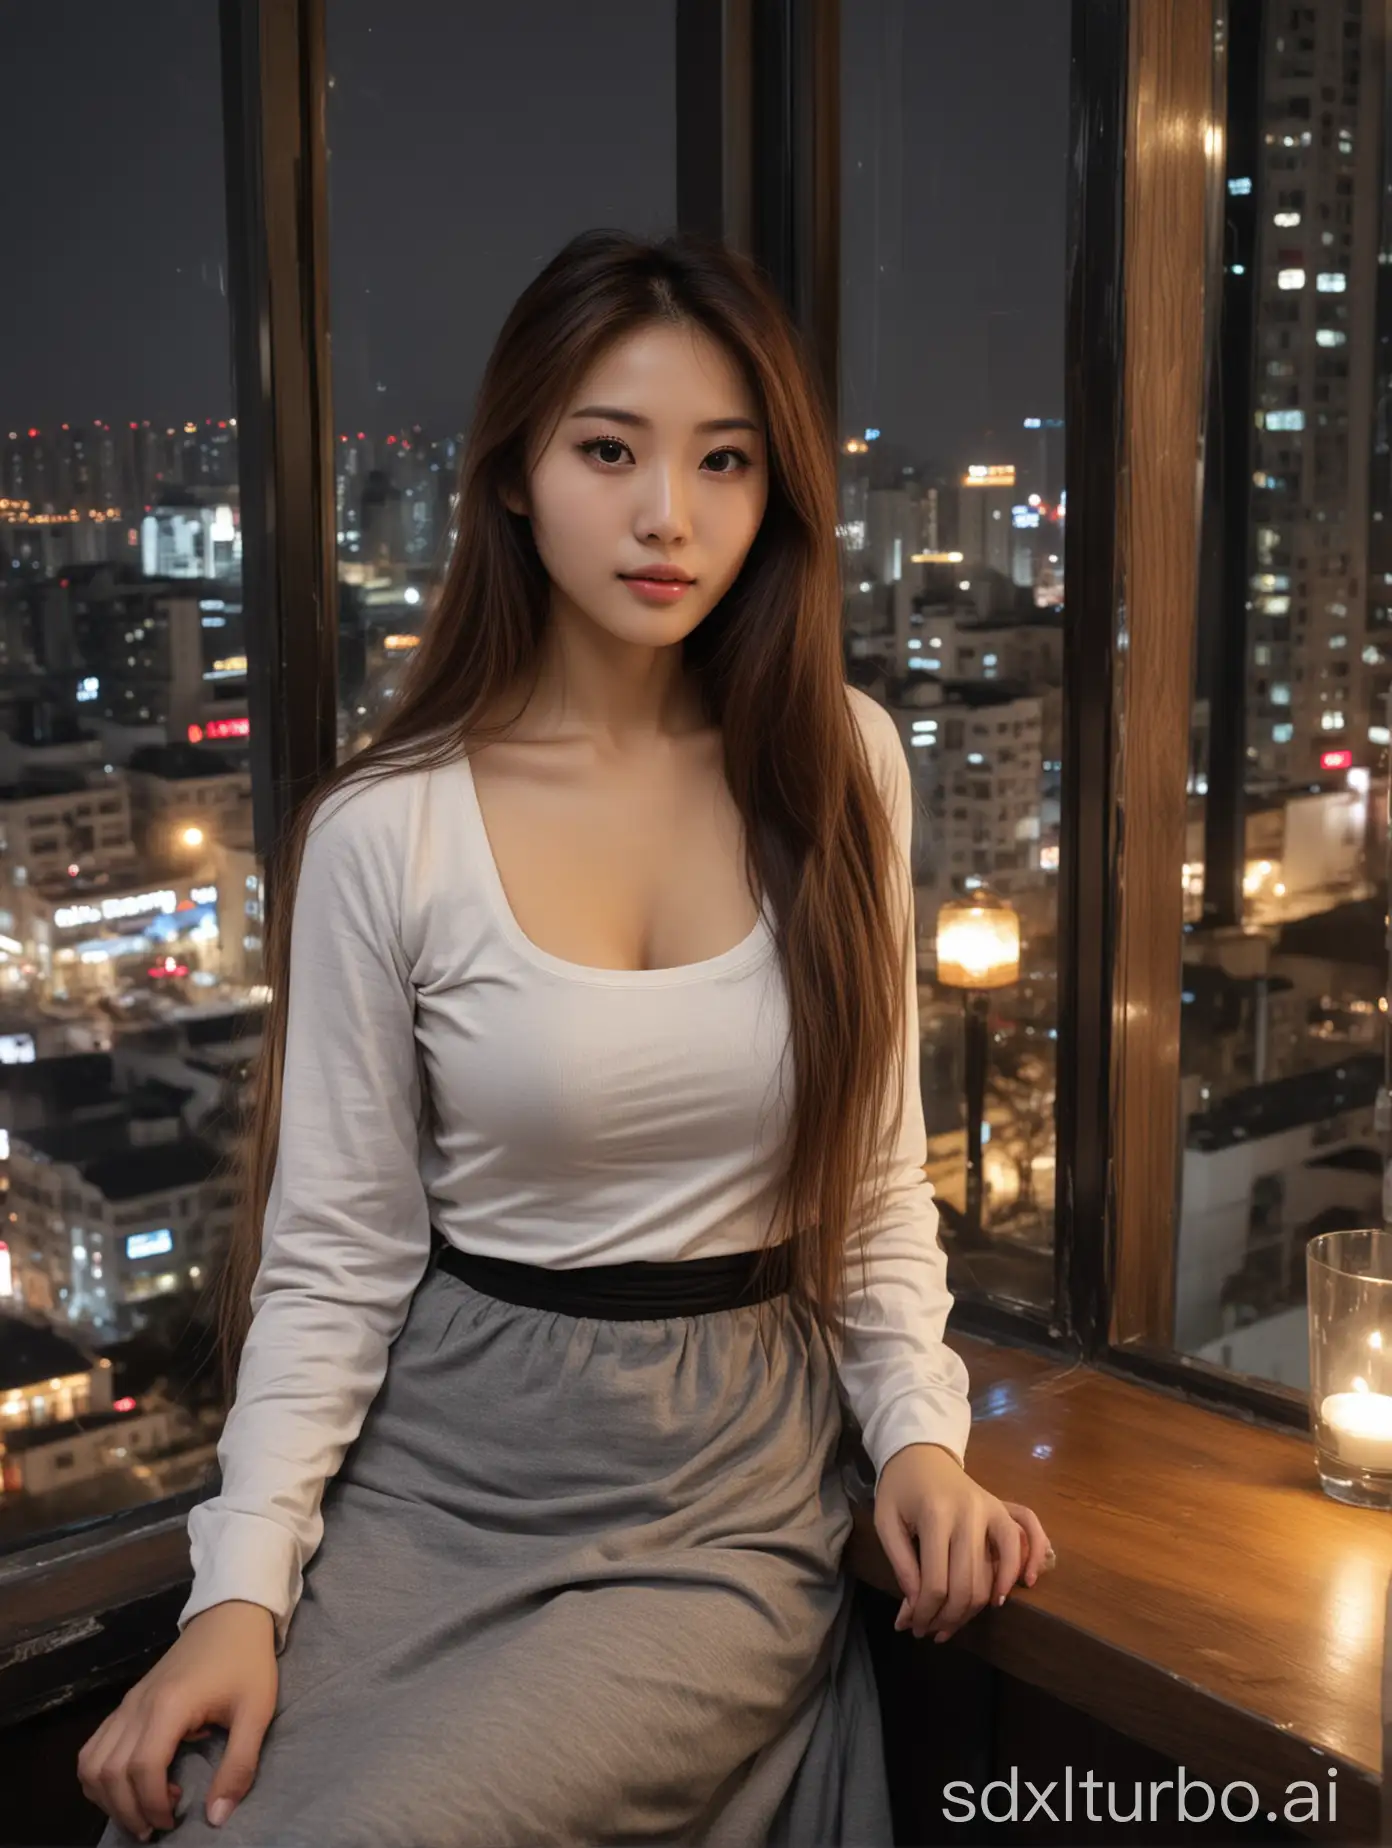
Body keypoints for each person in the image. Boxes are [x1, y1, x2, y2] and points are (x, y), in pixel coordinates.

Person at [79, 229, 1052, 1847]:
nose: (670, 514)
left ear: (778, 496)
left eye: (725, 462)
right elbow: (333, 1259)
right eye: (611, 449)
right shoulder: (386, 830)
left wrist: (924, 1444)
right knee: (200, 1822)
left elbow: (876, 1193)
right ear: (517, 474)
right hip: (438, 1461)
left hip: (720, 1484)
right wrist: (237, 1597)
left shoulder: (845, 765)